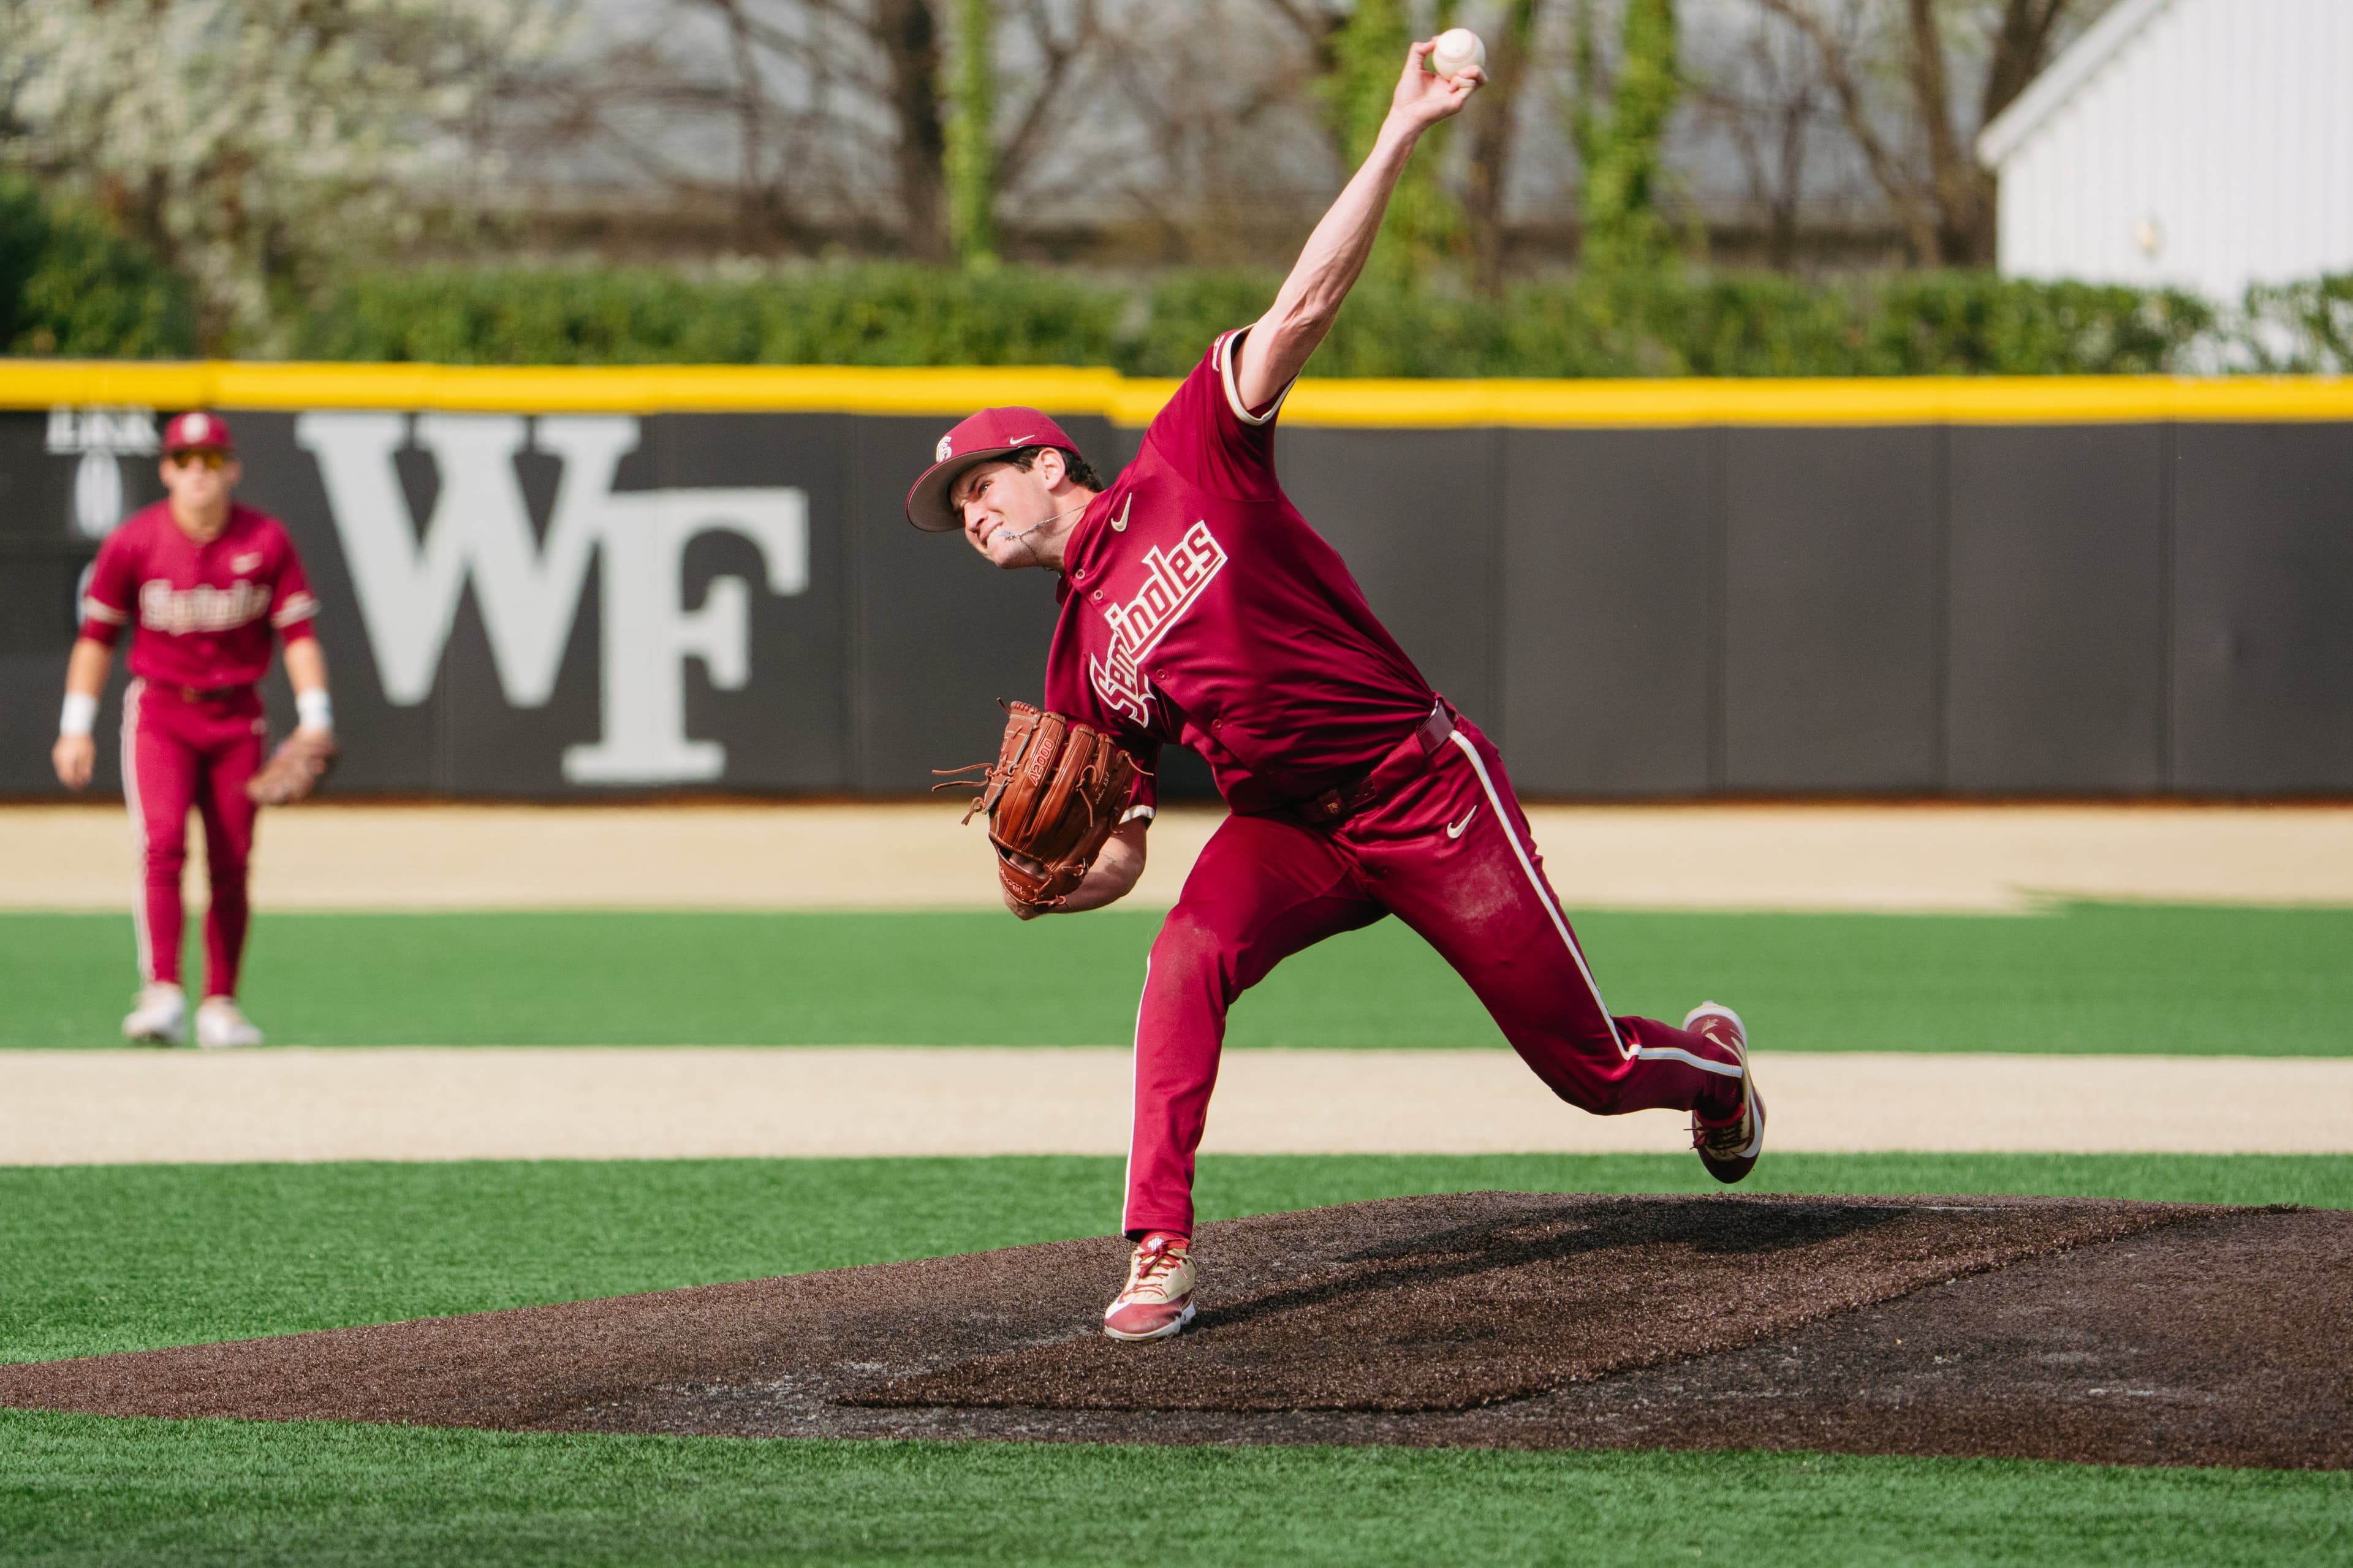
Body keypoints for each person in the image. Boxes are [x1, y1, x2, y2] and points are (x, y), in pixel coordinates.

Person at [903, 41, 1763, 1343]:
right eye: (956, 510)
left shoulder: (1189, 452)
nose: (970, 517)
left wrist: (1401, 130)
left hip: (1425, 790)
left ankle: (1709, 1066)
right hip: (1292, 829)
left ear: (1044, 461)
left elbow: (1300, 306)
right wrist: (1059, 884)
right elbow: (1128, 844)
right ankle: (1159, 1246)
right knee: (1184, 954)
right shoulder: (1077, 654)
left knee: (1587, 1069)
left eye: (979, 487)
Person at [51, 411, 334, 1049]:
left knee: (233, 861)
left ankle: (221, 1003)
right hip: (162, 712)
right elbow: (97, 638)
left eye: (210, 461)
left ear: (231, 467)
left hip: (237, 715)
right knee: (163, 844)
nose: (198, 473)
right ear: (167, 469)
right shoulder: (136, 541)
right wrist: (76, 726)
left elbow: (298, 635)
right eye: (185, 460)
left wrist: (317, 717)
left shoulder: (264, 540)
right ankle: (162, 993)